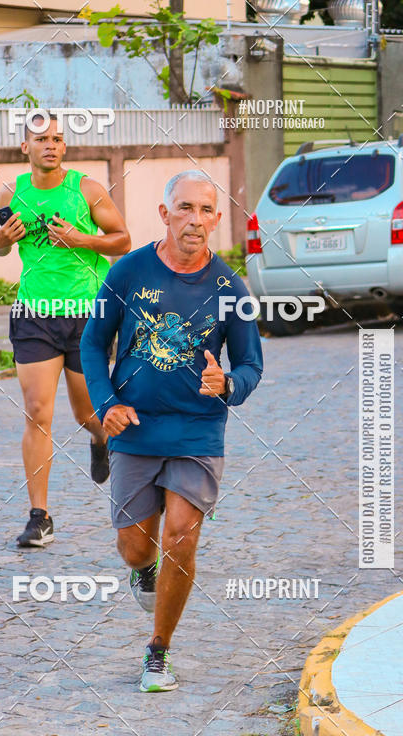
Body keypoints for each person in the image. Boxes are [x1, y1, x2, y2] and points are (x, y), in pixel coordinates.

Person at [80, 170, 263, 692]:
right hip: (134, 428)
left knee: (182, 535)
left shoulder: (231, 288)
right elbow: (93, 345)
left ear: (217, 219)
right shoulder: (128, 273)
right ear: (164, 214)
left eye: (206, 211)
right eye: (185, 208)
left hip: (197, 431)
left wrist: (227, 383)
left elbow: (252, 365)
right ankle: (143, 569)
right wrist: (106, 403)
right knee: (137, 548)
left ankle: (158, 650)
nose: (196, 220)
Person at [0, 112, 131, 548]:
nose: (50, 145)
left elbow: (122, 239)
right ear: (24, 149)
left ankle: (101, 440)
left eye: (57, 139)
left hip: (86, 314)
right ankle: (40, 517)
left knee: (87, 414)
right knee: (37, 411)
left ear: (64, 148)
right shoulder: (13, 191)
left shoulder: (85, 189)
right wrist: (4, 239)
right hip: (34, 313)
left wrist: (81, 239)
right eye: (41, 139)